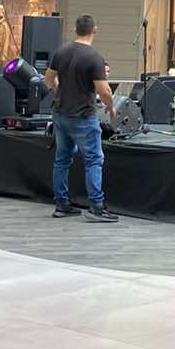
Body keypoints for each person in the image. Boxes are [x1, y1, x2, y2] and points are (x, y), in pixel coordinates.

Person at [44, 14, 118, 222]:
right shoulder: (94, 57)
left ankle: (61, 205)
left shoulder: (61, 51)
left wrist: (61, 91)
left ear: (75, 29)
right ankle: (96, 208)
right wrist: (110, 107)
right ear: (95, 30)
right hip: (83, 117)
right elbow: (104, 91)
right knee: (94, 160)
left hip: (60, 114)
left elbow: (48, 79)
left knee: (62, 159)